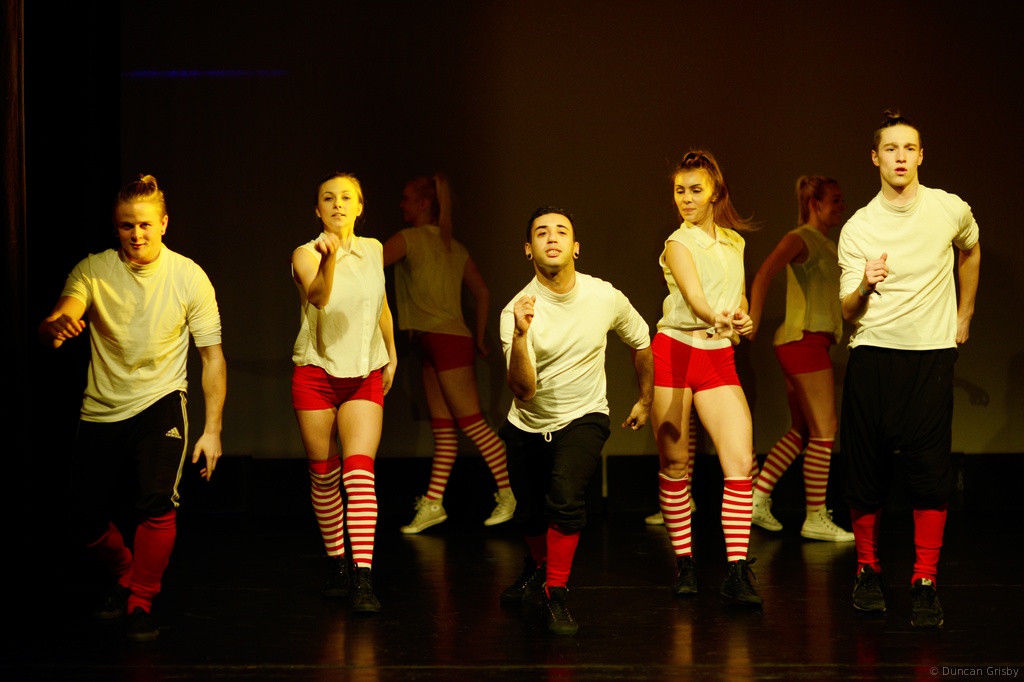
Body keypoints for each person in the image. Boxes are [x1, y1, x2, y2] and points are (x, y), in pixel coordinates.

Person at [39, 175, 227, 642]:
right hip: (103, 407)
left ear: (164, 224)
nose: (136, 235)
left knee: (157, 501)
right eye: (127, 226)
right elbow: (62, 314)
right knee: (83, 518)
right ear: (116, 227)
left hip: (161, 399)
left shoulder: (189, 276)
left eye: (145, 224)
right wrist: (56, 327)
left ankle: (141, 599)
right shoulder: (93, 269)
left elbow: (212, 358)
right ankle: (125, 573)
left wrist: (213, 430)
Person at [838, 110, 979, 629]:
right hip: (874, 355)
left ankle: (924, 580)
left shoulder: (948, 209)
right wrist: (865, 284)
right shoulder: (859, 226)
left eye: (909, 148)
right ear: (875, 157)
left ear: (921, 155)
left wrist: (965, 313)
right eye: (890, 149)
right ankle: (868, 570)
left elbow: (971, 249)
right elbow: (847, 311)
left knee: (930, 473)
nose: (900, 157)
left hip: (931, 356)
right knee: (866, 471)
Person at [498, 206, 653, 635]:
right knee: (529, 513)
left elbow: (642, 341)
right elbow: (524, 391)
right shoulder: (515, 311)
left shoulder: (604, 295)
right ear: (528, 249)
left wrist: (645, 399)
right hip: (528, 423)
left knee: (564, 499)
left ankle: (556, 594)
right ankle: (538, 568)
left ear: (576, 247)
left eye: (561, 231)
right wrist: (521, 334)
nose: (552, 238)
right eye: (541, 233)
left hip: (584, 415)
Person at [651, 150, 762, 605]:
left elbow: (736, 297)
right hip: (676, 351)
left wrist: (743, 317)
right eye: (680, 191)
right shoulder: (678, 243)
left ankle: (736, 570)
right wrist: (714, 315)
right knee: (675, 465)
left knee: (740, 462)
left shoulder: (734, 242)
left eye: (695, 190)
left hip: (718, 357)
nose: (686, 199)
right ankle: (685, 563)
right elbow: (695, 298)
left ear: (715, 192)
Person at [382, 173, 515, 534]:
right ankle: (434, 503)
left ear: (424, 203)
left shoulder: (408, 239)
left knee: (472, 423)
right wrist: (479, 337)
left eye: (407, 198)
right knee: (443, 429)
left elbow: (367, 265)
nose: (401, 204)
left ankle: (510, 492)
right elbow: (482, 292)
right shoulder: (453, 245)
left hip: (445, 340)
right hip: (431, 341)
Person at [291, 172, 398, 613]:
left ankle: (363, 576)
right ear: (317, 209)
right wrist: (330, 258)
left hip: (364, 373)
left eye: (346, 197)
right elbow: (318, 297)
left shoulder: (374, 249)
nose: (338, 204)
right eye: (328, 198)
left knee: (359, 473)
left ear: (359, 206)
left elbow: (381, 303)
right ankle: (337, 561)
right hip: (316, 373)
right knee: (324, 475)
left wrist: (391, 352)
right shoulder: (305, 253)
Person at [746, 176, 854, 542]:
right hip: (803, 342)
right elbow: (764, 273)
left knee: (802, 432)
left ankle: (758, 498)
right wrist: (754, 319)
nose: (841, 207)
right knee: (825, 430)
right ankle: (815, 516)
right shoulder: (800, 238)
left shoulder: (826, 244)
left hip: (810, 343)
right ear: (814, 203)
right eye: (835, 200)